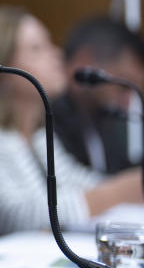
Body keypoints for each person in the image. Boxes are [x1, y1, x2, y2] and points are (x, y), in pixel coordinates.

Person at [0, 6, 143, 238]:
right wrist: (121, 191)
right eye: (37, 48)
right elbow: (20, 217)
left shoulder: (36, 135)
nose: (57, 55)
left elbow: (77, 182)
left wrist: (129, 186)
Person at [53, 15, 144, 173]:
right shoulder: (45, 117)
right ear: (85, 62)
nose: (129, 102)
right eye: (123, 87)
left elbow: (117, 175)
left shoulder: (101, 118)